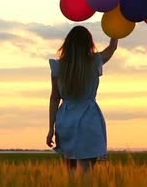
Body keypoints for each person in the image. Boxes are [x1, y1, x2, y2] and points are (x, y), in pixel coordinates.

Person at [46, 25, 118, 173]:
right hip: (89, 118)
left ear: (67, 44)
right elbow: (112, 48)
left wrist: (50, 128)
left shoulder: (59, 67)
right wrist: (116, 30)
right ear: (89, 43)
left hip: (65, 119)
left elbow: (54, 98)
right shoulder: (95, 61)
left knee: (70, 171)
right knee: (87, 172)